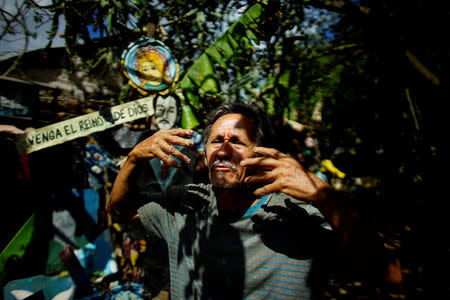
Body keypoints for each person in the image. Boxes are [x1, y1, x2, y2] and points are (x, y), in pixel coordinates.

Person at [107, 101, 402, 299]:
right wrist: (133, 158)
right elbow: (119, 210)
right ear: (205, 153)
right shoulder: (186, 204)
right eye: (215, 141)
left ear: (261, 153)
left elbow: (390, 275)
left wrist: (321, 193)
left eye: (236, 141)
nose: (223, 150)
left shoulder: (298, 212)